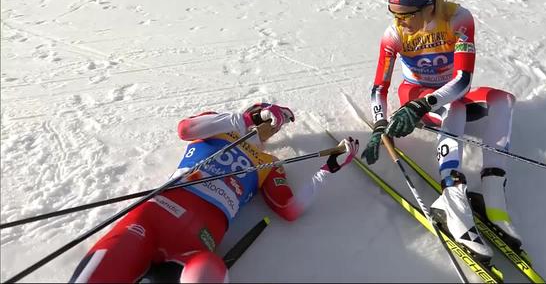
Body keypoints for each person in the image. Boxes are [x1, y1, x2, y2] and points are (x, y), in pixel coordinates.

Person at [69, 103, 359, 283]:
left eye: (276, 123)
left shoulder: (270, 164)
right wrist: (244, 119)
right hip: (152, 217)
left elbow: (290, 209)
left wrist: (327, 171)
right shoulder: (217, 127)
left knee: (208, 273)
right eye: (268, 117)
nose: (270, 126)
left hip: (196, 245)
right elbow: (185, 128)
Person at [360, 0, 521, 262]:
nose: (401, 22)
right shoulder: (393, 34)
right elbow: (378, 88)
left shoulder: (458, 19)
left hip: (444, 95)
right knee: (455, 106)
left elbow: (462, 80)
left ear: (429, 5)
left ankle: (494, 199)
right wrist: (380, 122)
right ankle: (452, 196)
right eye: (395, 14)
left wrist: (428, 103)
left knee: (504, 101)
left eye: (407, 15)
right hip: (415, 94)